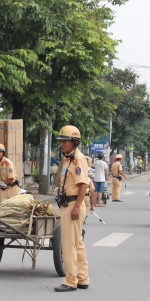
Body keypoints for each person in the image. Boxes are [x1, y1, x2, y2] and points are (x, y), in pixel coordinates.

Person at [53, 125, 89, 292]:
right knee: (78, 244)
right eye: (61, 141)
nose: (62, 144)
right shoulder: (69, 158)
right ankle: (82, 278)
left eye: (65, 141)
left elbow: (83, 185)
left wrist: (77, 207)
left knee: (68, 245)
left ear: (74, 142)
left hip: (73, 204)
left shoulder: (78, 159)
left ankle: (70, 280)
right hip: (69, 203)